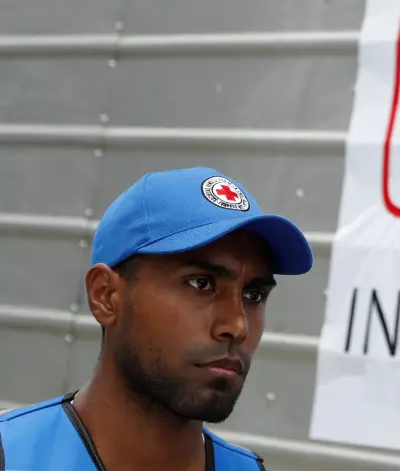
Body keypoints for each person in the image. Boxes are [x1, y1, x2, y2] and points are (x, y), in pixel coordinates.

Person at [0, 166, 315, 470]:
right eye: (200, 283)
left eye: (254, 295)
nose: (237, 325)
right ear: (105, 296)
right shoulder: (14, 455)